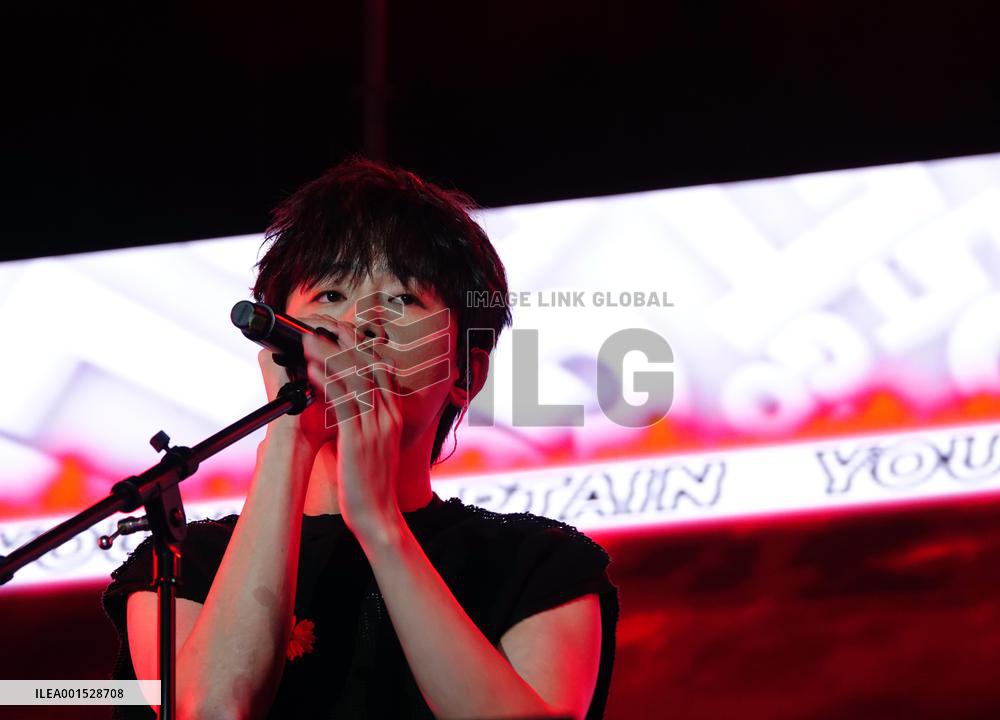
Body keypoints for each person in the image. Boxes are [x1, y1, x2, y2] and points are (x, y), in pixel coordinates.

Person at [101, 157, 619, 720]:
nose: (358, 324)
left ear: (467, 375)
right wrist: (289, 441)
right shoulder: (186, 564)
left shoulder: (534, 564)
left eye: (403, 300)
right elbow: (215, 711)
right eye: (328, 296)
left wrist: (379, 523)